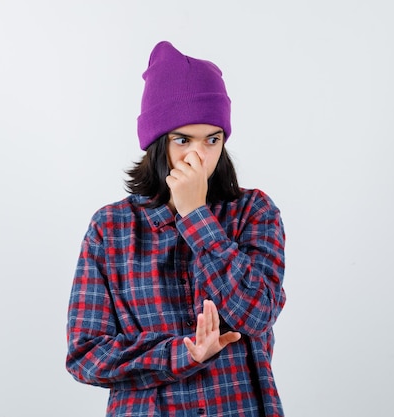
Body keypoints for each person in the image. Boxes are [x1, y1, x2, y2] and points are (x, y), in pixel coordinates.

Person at [66, 40, 286, 417]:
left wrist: (196, 214)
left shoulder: (254, 212)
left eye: (212, 139)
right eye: (182, 140)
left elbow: (257, 314)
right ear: (157, 143)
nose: (198, 156)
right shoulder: (111, 228)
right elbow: (86, 355)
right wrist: (180, 354)